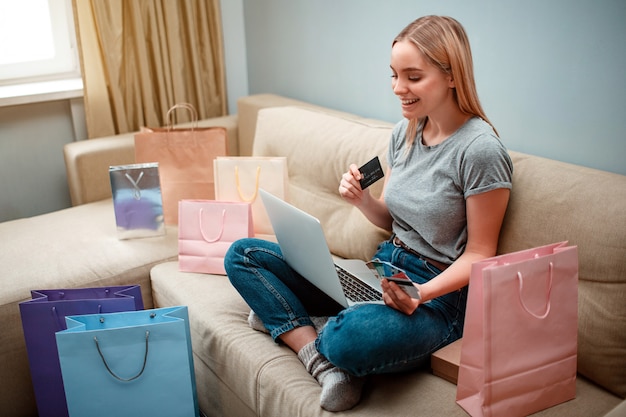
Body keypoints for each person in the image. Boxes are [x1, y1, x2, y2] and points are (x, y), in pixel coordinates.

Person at [224, 15, 512, 412]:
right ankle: (321, 358)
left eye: (413, 77)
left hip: (437, 298)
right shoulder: (405, 131)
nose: (398, 88)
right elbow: (394, 221)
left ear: (451, 75)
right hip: (381, 268)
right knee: (243, 254)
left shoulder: (479, 151)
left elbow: (481, 254)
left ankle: (297, 324)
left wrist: (419, 293)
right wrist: (362, 200)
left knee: (349, 337)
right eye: (394, 75)